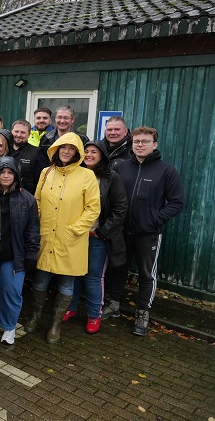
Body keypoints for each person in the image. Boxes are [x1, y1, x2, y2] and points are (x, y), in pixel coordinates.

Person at [105, 127, 184, 336]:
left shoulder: (166, 171)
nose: (140, 144)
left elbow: (176, 202)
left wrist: (155, 220)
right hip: (121, 231)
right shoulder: (121, 167)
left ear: (154, 144)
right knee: (117, 269)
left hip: (148, 233)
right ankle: (113, 304)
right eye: (137, 141)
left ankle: (142, 312)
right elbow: (111, 195)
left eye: (145, 141)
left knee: (146, 274)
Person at [25, 133, 101, 344]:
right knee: (40, 280)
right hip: (45, 235)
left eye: (71, 148)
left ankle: (55, 324)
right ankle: (35, 316)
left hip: (71, 240)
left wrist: (75, 229)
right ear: (56, 149)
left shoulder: (87, 176)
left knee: (66, 284)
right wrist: (38, 221)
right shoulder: (46, 172)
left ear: (78, 152)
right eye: (62, 147)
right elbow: (37, 200)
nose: (66, 152)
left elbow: (93, 208)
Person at [63, 141, 127, 335]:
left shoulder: (111, 178)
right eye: (86, 152)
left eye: (94, 152)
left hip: (97, 236)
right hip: (76, 235)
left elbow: (120, 208)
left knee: (92, 277)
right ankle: (71, 307)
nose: (89, 155)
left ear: (103, 156)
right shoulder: (75, 174)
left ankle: (93, 315)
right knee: (73, 274)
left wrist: (101, 231)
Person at [0, 157, 40, 345]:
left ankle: (9, 327)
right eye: (2, 172)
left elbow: (33, 228)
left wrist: (31, 253)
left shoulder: (27, 198)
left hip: (14, 255)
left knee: (12, 291)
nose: (6, 176)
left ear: (16, 175)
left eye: (10, 172)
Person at [11, 120, 41, 195]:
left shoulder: (37, 152)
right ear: (11, 132)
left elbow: (40, 181)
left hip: (26, 198)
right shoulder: (4, 149)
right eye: (16, 131)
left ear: (29, 134)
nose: (19, 135)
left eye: (23, 132)